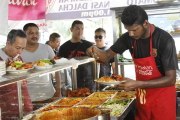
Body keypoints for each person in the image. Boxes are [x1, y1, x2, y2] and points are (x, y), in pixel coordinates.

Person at [87, 5, 178, 120]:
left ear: (145, 23)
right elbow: (105, 57)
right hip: (143, 98)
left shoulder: (164, 39)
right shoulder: (128, 38)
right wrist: (91, 49)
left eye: (134, 30)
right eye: (128, 30)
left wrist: (138, 83)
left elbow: (171, 79)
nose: (131, 34)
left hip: (163, 100)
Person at [21, 23, 61, 103]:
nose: (35, 35)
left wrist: (58, 89)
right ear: (24, 35)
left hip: (48, 94)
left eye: (36, 33)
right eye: (31, 33)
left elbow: (58, 69)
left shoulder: (46, 48)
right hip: (27, 98)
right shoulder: (19, 51)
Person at [0, 29, 33, 119]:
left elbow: (23, 84)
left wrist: (27, 106)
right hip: (4, 109)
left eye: (23, 48)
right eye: (18, 48)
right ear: (8, 43)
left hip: (22, 106)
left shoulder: (19, 59)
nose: (20, 52)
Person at [57, 20, 94, 91]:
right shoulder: (64, 47)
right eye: (77, 28)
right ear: (71, 29)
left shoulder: (89, 45)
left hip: (88, 81)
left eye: (82, 29)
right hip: (71, 82)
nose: (80, 31)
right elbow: (59, 65)